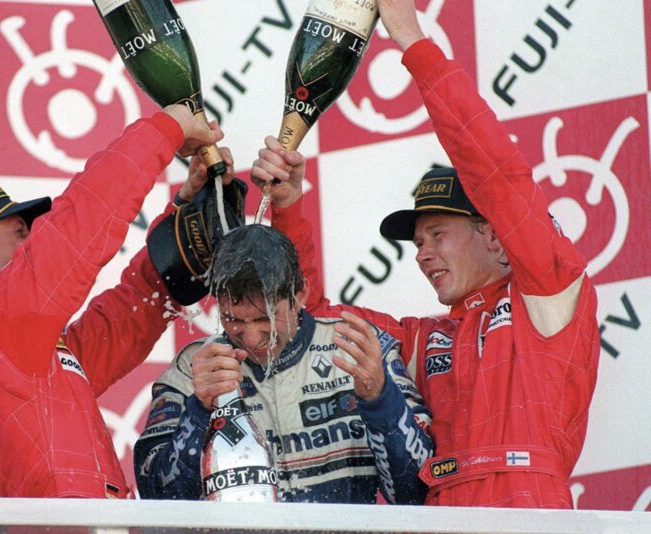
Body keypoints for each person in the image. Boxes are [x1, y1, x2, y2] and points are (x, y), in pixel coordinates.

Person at [255, 0, 600, 509]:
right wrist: (288, 207)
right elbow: (315, 318)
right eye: (418, 243)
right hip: (436, 514)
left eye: (438, 234)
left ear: (493, 234)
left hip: (528, 507)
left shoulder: (549, 290)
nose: (423, 254)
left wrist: (413, 43)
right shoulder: (424, 338)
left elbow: (496, 172)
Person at [0, 104, 229, 498]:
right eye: (20, 231)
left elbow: (121, 324)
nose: (33, 238)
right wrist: (167, 128)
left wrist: (182, 216)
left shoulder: (11, 345)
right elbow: (83, 218)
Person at [133, 223, 433, 504]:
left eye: (266, 318)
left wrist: (381, 400)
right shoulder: (193, 368)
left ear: (300, 293)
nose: (250, 337)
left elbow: (416, 492)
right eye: (233, 320)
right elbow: (158, 500)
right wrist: (199, 412)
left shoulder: (357, 348)